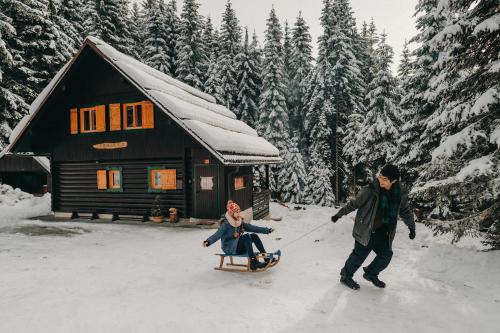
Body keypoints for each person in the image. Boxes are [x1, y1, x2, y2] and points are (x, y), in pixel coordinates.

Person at [331, 164, 416, 290]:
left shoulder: (399, 194)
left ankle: (371, 273)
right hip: (366, 229)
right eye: (380, 176)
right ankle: (346, 276)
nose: (380, 180)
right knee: (359, 255)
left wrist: (412, 227)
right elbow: (354, 204)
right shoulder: (370, 190)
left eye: (385, 179)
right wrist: (338, 215)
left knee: (386, 255)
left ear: (394, 181)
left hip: (383, 231)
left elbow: (405, 211)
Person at [203, 200, 274, 271]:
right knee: (246, 237)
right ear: (231, 213)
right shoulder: (225, 225)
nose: (238, 213)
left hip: (238, 245)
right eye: (236, 212)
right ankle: (253, 262)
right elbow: (217, 235)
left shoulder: (239, 222)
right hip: (229, 247)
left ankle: (266, 257)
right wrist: (208, 241)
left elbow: (252, 228)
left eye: (238, 211)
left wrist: (266, 230)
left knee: (254, 236)